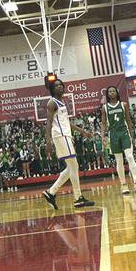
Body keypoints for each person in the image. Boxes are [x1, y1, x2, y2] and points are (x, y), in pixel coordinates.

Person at [41, 79, 95, 209]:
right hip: (60, 136)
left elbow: (66, 122)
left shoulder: (61, 102)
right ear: (52, 89)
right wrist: (48, 141)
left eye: (61, 85)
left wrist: (81, 131)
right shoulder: (52, 103)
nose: (60, 87)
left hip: (66, 135)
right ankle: (78, 198)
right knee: (74, 165)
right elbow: (48, 123)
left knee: (72, 167)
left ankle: (51, 192)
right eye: (56, 86)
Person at [100, 86, 136, 195]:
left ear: (117, 93)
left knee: (129, 156)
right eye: (110, 91)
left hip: (124, 133)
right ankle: (123, 185)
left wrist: (132, 135)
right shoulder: (105, 107)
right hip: (113, 134)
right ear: (107, 94)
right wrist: (103, 136)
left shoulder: (123, 105)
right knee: (119, 160)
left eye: (114, 91)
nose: (112, 93)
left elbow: (128, 120)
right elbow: (104, 123)